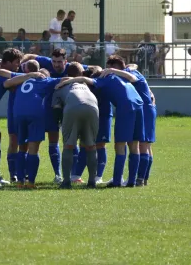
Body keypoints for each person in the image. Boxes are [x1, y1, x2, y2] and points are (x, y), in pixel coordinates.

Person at [56, 56, 144, 187]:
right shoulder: (118, 76)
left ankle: (116, 181)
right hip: (139, 103)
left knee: (119, 145)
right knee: (134, 144)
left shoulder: (102, 80)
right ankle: (132, 181)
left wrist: (63, 82)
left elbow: (84, 79)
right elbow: (133, 69)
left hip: (125, 106)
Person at [23, 49, 100, 183]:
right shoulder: (46, 62)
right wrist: (22, 63)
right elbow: (31, 55)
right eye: (54, 61)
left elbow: (97, 68)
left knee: (72, 140)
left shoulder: (72, 68)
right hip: (51, 107)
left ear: (65, 61)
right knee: (54, 138)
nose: (56, 65)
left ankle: (73, 175)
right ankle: (58, 175)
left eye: (59, 62)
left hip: (69, 106)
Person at [102, 57, 156, 186]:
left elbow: (133, 77)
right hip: (140, 108)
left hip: (145, 109)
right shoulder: (129, 70)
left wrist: (113, 71)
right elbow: (134, 65)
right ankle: (138, 179)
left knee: (142, 144)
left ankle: (140, 179)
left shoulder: (129, 73)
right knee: (137, 143)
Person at [13, 61, 66, 188]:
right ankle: (30, 182)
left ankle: (20, 181)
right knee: (33, 148)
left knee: (21, 148)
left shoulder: (23, 80)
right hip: (36, 114)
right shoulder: (45, 81)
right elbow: (65, 78)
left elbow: (6, 82)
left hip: (18, 113)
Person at [52, 62, 99, 189]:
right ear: (81, 74)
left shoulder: (61, 85)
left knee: (68, 146)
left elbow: (56, 107)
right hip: (93, 107)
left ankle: (66, 181)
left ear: (68, 74)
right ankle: (92, 182)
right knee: (90, 146)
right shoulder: (87, 84)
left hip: (72, 107)